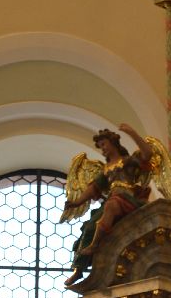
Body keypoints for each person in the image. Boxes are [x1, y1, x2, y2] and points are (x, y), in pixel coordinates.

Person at [63, 123, 154, 287]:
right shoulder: (106, 169)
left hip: (129, 199)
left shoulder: (128, 161)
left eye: (104, 144)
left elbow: (147, 154)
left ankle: (95, 245)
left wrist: (132, 132)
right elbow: (93, 189)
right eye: (100, 146)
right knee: (89, 227)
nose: (102, 149)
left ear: (113, 143)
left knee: (111, 205)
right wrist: (76, 202)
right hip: (113, 199)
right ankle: (78, 269)